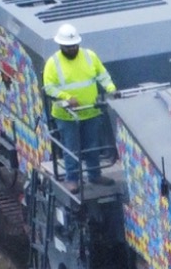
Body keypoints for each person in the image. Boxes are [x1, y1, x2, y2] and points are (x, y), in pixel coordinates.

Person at [42, 23, 117, 189]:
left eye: (74, 46)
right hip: (67, 116)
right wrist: (67, 98)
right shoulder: (53, 63)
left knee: (92, 146)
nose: (72, 49)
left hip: (91, 112)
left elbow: (102, 75)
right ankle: (72, 179)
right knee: (71, 148)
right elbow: (49, 87)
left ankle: (94, 175)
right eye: (68, 47)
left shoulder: (89, 56)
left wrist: (111, 89)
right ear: (61, 45)